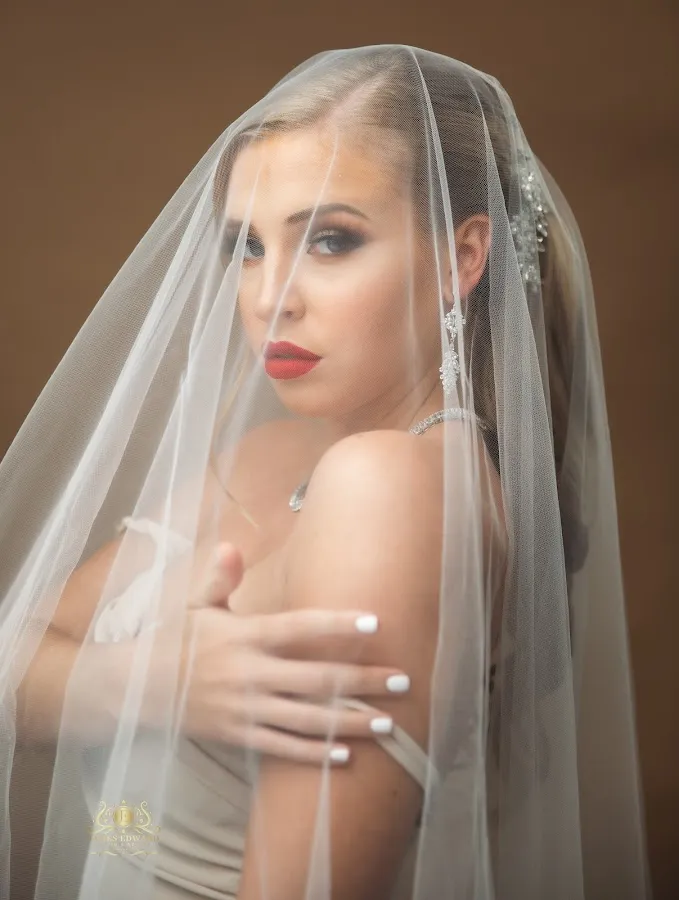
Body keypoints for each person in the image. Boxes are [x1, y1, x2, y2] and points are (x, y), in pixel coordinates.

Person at [0, 45, 650, 899]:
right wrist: (146, 680)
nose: (269, 296)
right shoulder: (269, 457)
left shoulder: (389, 490)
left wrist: (108, 681)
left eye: (330, 240)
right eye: (247, 246)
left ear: (462, 258)